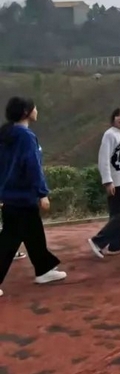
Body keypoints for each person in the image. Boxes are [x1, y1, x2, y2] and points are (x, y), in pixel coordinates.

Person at [0, 97, 66, 297]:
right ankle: (43, 269)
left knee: (33, 232)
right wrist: (42, 193)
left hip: (10, 193)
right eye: (34, 108)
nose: (37, 110)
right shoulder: (25, 136)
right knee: (10, 238)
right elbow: (33, 167)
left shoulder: (7, 134)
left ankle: (44, 269)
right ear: (26, 112)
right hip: (22, 195)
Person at [87, 108, 120, 259]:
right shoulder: (110, 134)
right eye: (119, 116)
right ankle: (98, 241)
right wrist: (107, 181)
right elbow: (103, 159)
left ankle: (115, 245)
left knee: (117, 214)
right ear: (113, 118)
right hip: (116, 181)